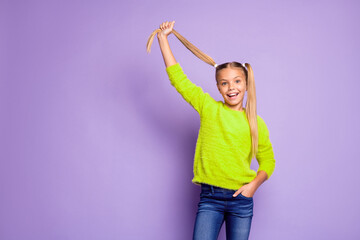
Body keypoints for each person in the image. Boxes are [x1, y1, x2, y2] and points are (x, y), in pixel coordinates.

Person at [146, 21, 276, 240]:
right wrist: (163, 39)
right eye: (224, 83)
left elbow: (268, 161)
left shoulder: (256, 122)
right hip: (210, 198)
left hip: (241, 201)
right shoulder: (209, 108)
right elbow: (179, 80)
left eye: (237, 81)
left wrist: (254, 185)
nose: (231, 87)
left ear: (246, 84)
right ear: (218, 87)